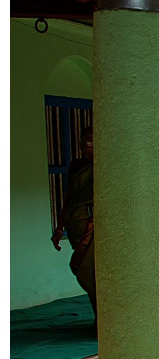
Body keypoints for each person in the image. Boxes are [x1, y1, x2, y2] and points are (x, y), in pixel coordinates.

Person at [50, 126, 97, 319]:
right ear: (80, 145)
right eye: (86, 140)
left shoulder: (107, 166)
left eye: (94, 140)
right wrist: (59, 228)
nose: (90, 144)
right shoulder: (76, 166)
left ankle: (103, 320)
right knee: (84, 271)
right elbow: (70, 197)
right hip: (78, 224)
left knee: (94, 272)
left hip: (96, 225)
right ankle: (99, 317)